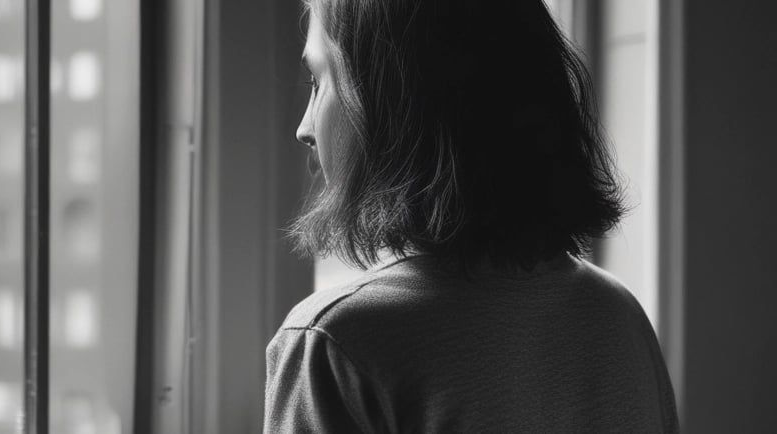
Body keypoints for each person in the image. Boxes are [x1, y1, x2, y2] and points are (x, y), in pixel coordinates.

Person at [263, 0, 679, 432]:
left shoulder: (334, 342)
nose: (305, 126)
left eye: (319, 81)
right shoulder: (618, 317)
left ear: (391, 101)